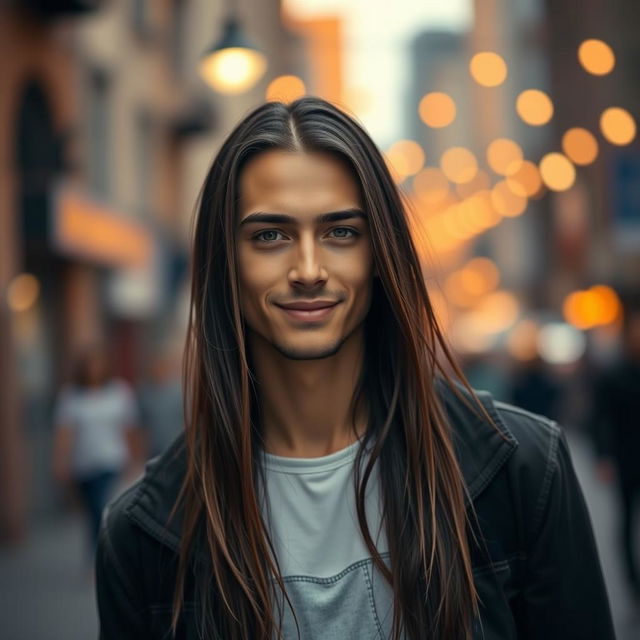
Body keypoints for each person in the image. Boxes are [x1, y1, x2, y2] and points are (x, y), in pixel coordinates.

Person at [95, 97, 615, 640]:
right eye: (269, 235)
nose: (309, 269)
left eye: (341, 232)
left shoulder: (522, 471)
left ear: (380, 252)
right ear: (226, 261)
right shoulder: (143, 535)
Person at [52, 345, 142, 557]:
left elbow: (130, 429)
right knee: (92, 511)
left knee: (103, 507)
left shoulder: (119, 392)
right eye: (90, 365)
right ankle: (96, 553)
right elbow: (64, 434)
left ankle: (104, 555)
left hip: (111, 459)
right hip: (83, 464)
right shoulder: (71, 397)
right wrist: (60, 462)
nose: (94, 369)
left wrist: (135, 458)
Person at [590, 304, 640, 606]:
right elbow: (601, 418)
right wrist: (603, 456)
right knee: (626, 522)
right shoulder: (614, 375)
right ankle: (633, 585)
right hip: (626, 457)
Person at [137, 349, 184, 459]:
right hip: (154, 450)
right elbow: (141, 425)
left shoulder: (178, 391)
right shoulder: (144, 393)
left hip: (175, 447)